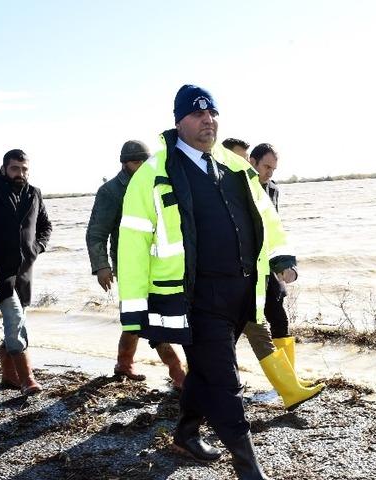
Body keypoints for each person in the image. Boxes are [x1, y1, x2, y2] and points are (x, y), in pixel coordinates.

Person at [118, 85, 300, 480]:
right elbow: (132, 243)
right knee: (226, 380)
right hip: (196, 298)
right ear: (179, 122)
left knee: (204, 371)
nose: (208, 121)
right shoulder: (154, 173)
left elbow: (265, 215)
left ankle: (185, 433)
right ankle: (248, 467)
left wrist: (281, 257)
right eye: (197, 115)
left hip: (242, 292)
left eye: (212, 114)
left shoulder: (235, 168)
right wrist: (133, 310)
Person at [227, 142, 324, 407]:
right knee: (241, 329)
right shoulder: (237, 187)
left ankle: (289, 383)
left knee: (276, 319)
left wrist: (283, 264)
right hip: (243, 271)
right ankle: (287, 388)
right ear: (254, 162)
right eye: (266, 166)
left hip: (265, 267)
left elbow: (273, 228)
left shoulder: (272, 189)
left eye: (273, 168)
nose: (269, 172)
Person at [85, 140, 186, 387]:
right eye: (134, 162)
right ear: (124, 163)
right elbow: (96, 232)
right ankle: (177, 371)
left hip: (161, 263)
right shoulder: (110, 191)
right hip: (129, 265)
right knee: (148, 315)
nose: (140, 166)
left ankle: (124, 363)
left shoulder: (158, 182)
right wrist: (102, 266)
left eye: (144, 161)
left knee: (136, 316)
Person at [0, 149, 52, 396]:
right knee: (16, 318)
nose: (21, 173)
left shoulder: (34, 193)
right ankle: (27, 378)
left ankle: (8, 376)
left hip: (25, 272)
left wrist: (36, 248)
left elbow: (45, 226)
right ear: (5, 168)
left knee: (16, 321)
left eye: (25, 169)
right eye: (16, 168)